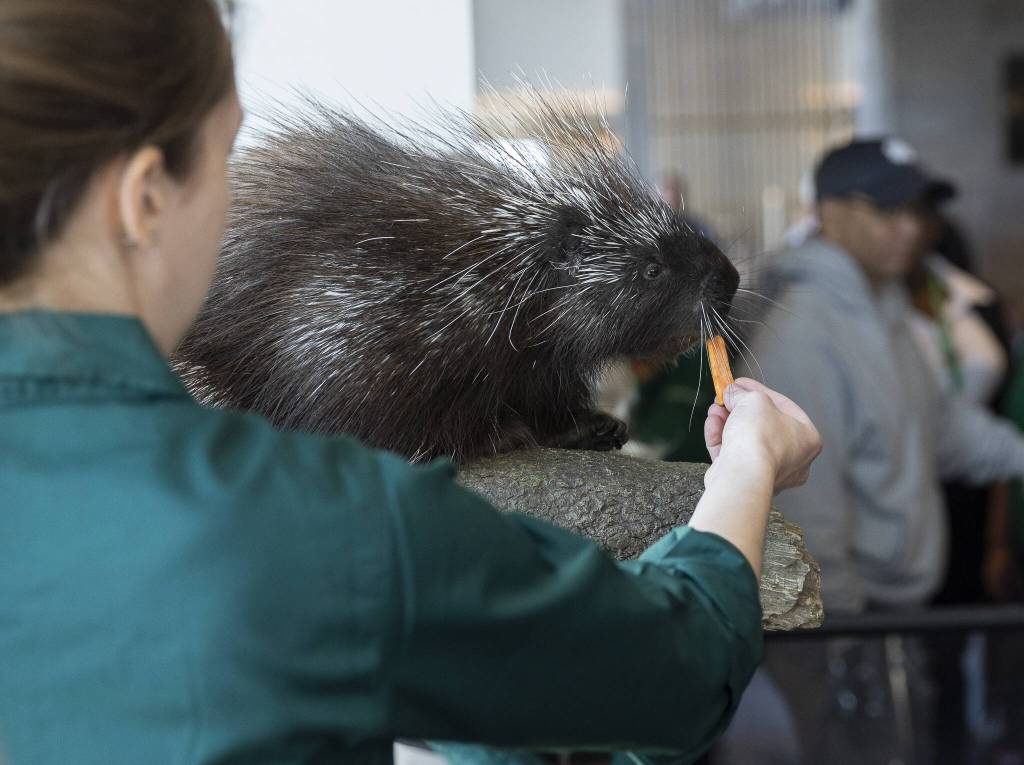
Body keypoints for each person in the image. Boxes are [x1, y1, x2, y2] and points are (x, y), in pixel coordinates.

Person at [0, 3, 821, 765]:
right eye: (223, 157)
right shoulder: (320, 516)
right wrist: (748, 464)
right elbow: (678, 668)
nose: (233, 198)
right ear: (146, 198)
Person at [728, 137, 1024, 763]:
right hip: (846, 628)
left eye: (918, 211)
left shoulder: (882, 307)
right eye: (886, 210)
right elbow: (804, 504)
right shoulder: (804, 327)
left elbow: (938, 431)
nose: (909, 228)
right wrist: (840, 643)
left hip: (890, 621)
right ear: (828, 210)